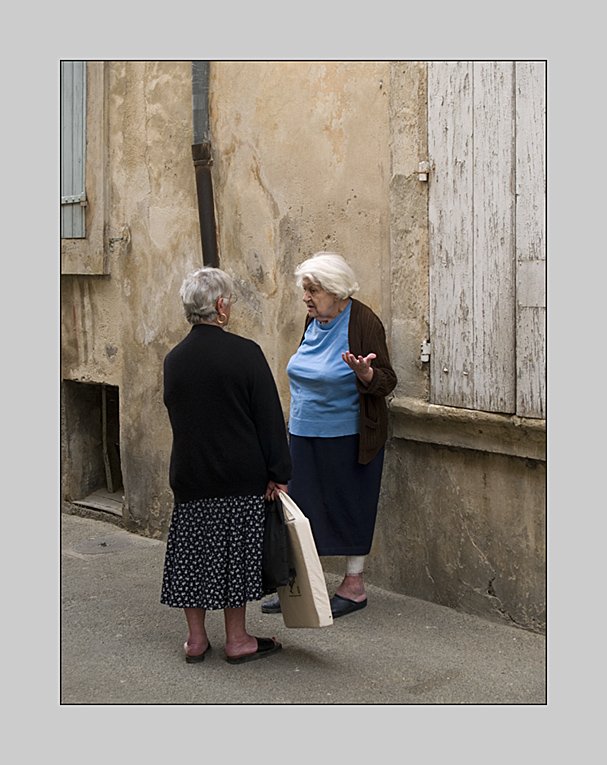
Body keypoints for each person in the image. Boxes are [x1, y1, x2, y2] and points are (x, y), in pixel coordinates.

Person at [161, 266, 292, 664]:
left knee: (194, 553)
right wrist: (279, 473)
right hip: (240, 475)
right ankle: (237, 640)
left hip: (191, 475)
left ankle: (196, 640)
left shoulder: (174, 360)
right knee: (234, 555)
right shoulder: (245, 353)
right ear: (221, 306)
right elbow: (268, 417)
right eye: (229, 300)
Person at [262, 252, 397, 619]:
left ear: (336, 291)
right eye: (305, 290)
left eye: (314, 290)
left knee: (350, 506)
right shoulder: (312, 320)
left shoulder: (363, 320)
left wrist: (366, 376)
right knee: (302, 512)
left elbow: (386, 380)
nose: (306, 297)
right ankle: (304, 588)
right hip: (304, 432)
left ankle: (354, 588)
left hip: (349, 434)